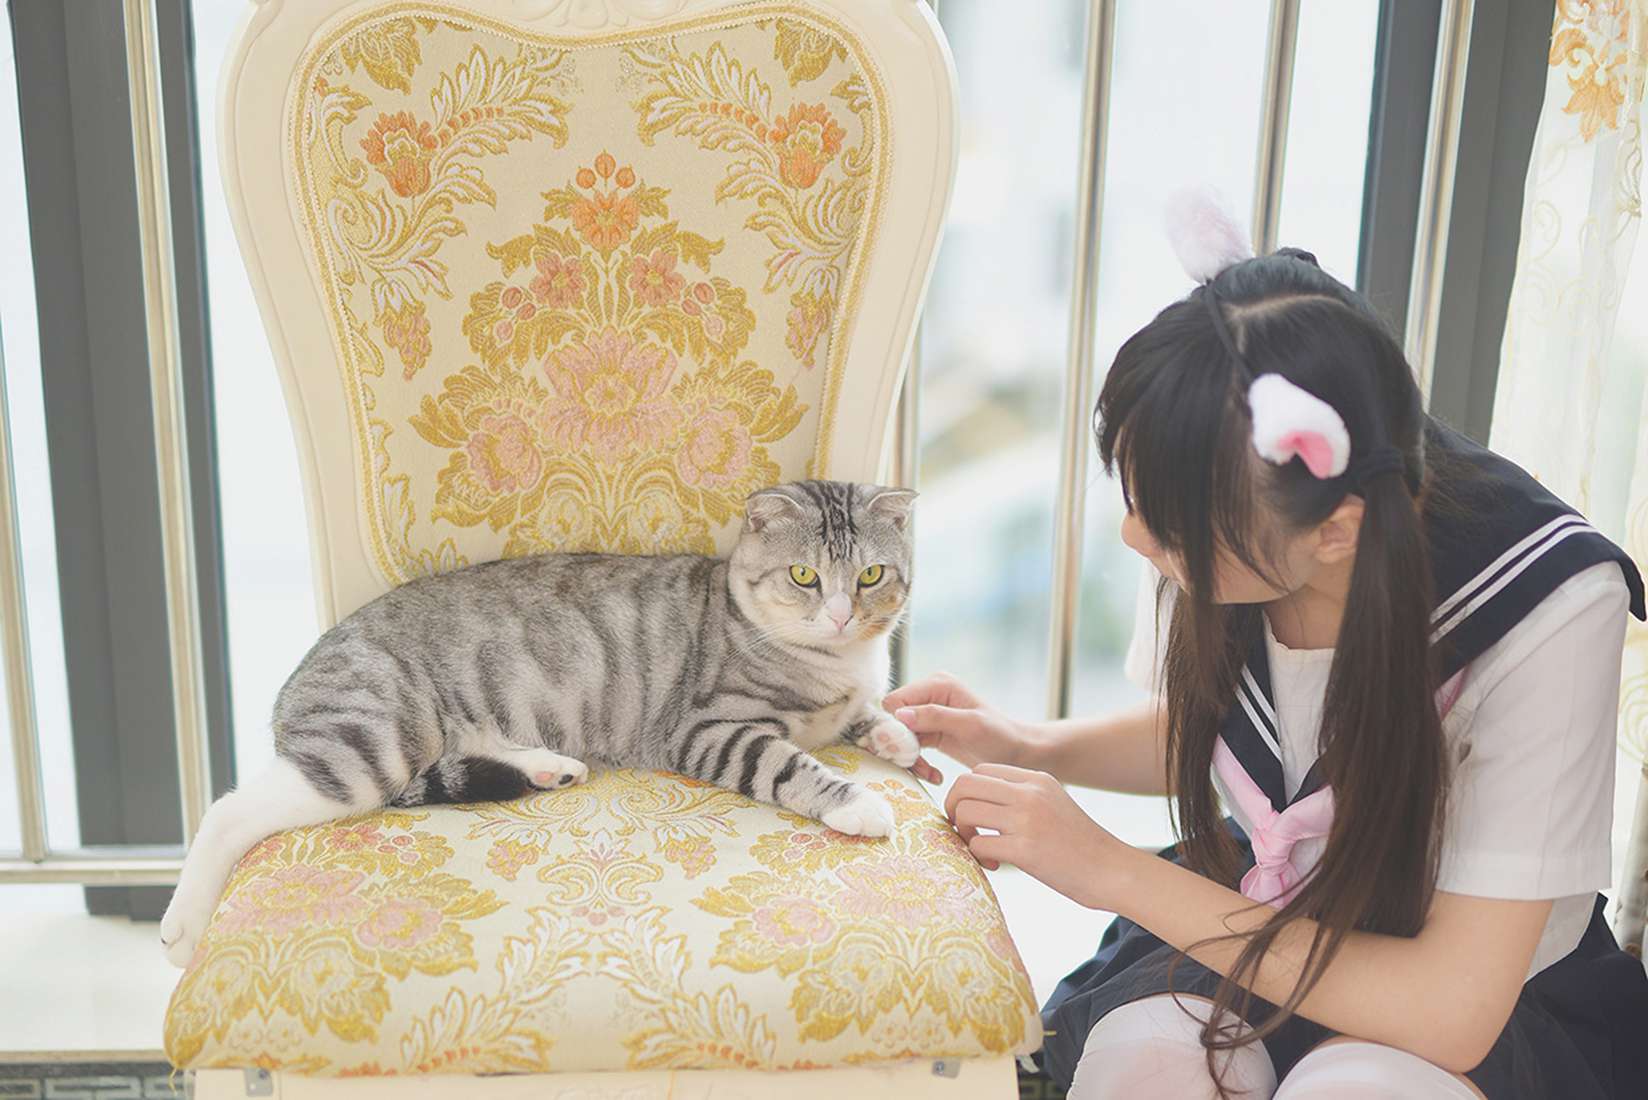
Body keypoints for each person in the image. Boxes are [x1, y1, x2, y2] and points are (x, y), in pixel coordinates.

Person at [884, 195, 1648, 1099]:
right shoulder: (1222, 489)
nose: (1135, 536)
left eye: (1167, 524)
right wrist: (1030, 743)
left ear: (1337, 532)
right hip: (1252, 921)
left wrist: (1107, 868)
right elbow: (1247, 740)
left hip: (1467, 996)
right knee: (1148, 1068)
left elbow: (1452, 1009)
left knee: (1356, 1087)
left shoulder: (1546, 602)